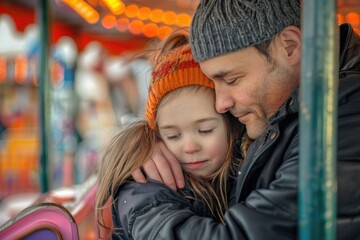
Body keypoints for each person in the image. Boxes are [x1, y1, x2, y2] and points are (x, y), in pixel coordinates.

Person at [131, 0, 360, 239]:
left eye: (231, 80)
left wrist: (142, 203)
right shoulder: (281, 111)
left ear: (290, 46)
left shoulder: (344, 118)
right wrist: (154, 148)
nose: (221, 104)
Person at [95, 32, 248, 239]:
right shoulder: (144, 184)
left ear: (233, 125)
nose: (189, 146)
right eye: (173, 135)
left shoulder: (245, 167)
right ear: (156, 134)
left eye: (204, 130)